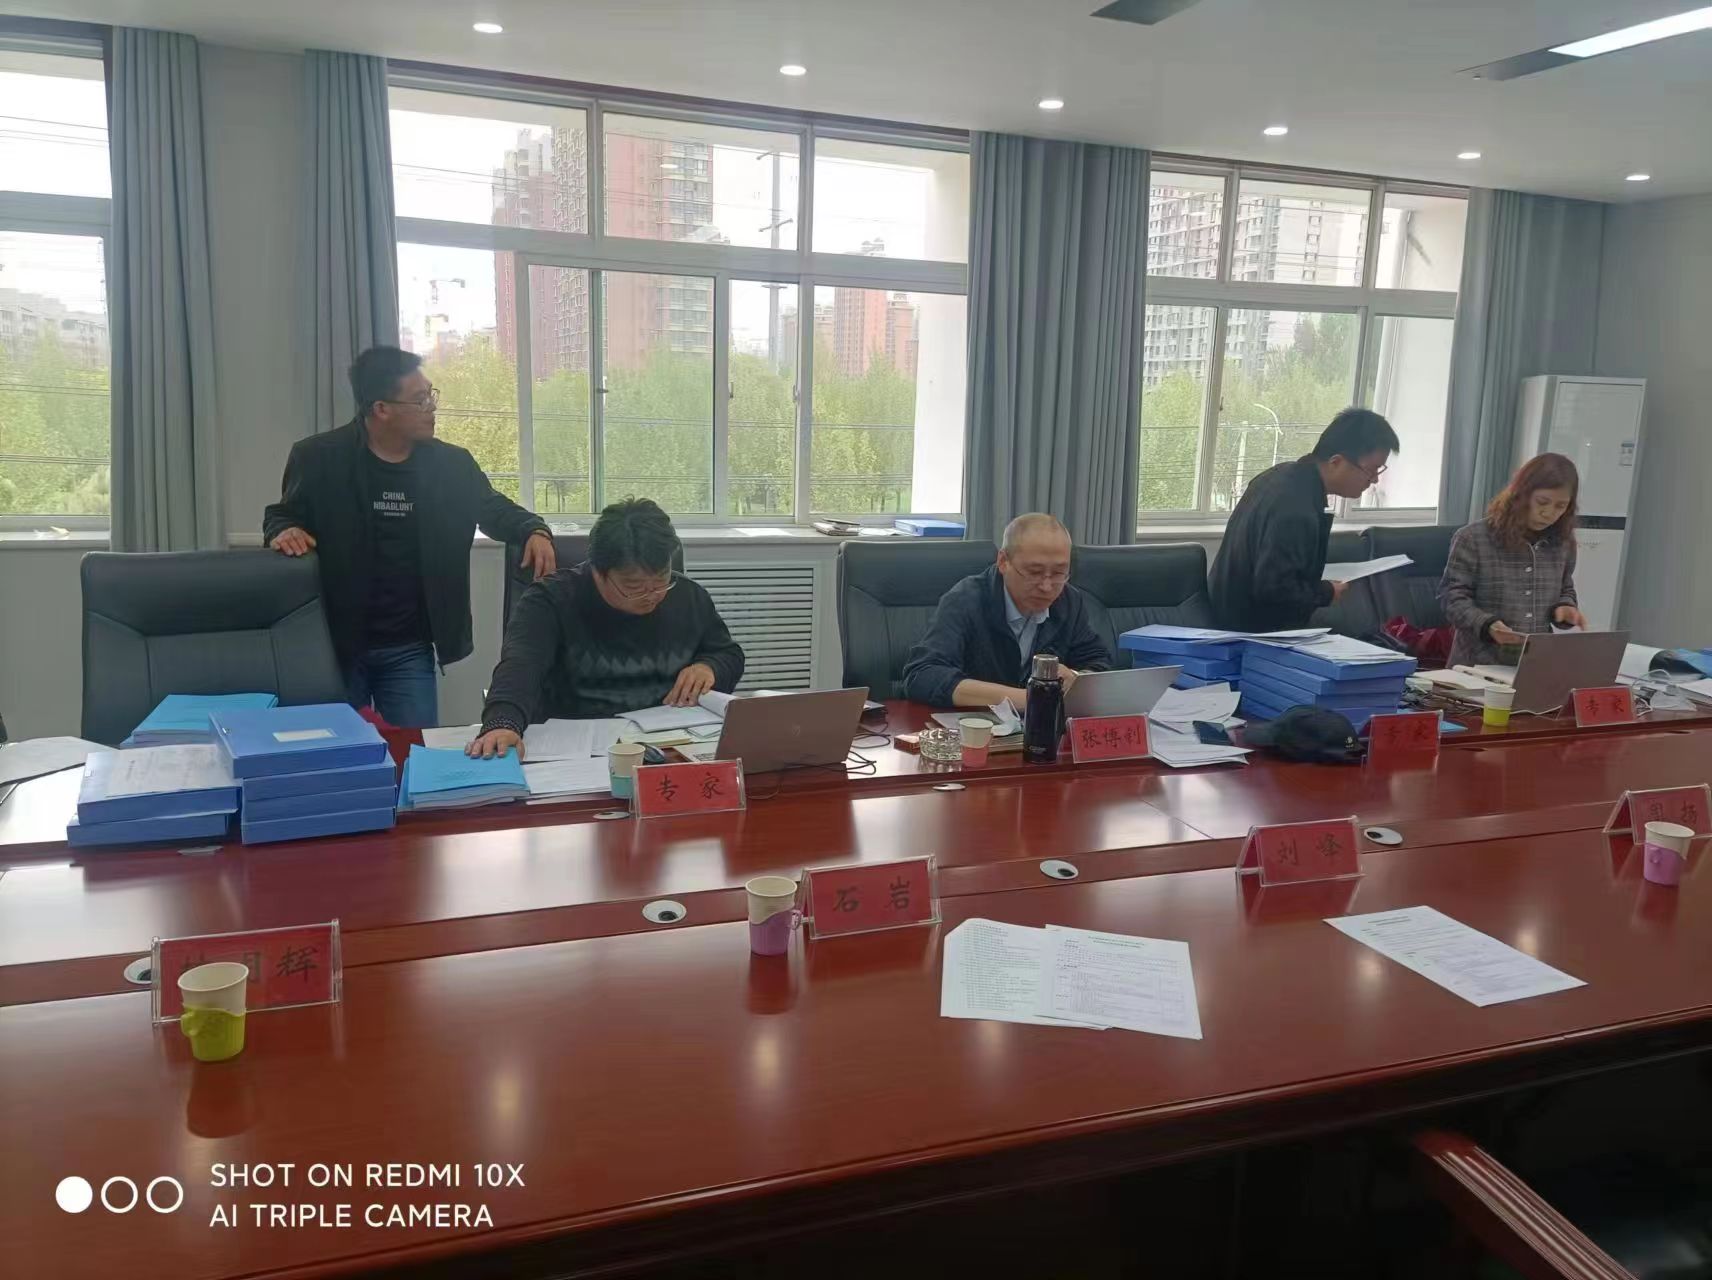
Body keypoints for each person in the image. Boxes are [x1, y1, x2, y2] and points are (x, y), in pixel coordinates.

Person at [262, 346, 557, 728]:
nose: (431, 407)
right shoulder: (319, 458)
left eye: (430, 395)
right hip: (334, 643)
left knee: (414, 751)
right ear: (381, 408)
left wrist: (535, 529)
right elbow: (284, 513)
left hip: (408, 647)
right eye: (420, 400)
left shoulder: (450, 465)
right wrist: (283, 530)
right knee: (340, 750)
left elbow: (493, 509)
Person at [466, 498, 745, 758]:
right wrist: (503, 723)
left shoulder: (688, 595)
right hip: (578, 749)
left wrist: (709, 667)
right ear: (597, 571)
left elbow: (728, 654)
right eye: (634, 587)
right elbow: (521, 667)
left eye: (661, 580)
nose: (652, 595)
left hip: (668, 745)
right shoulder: (549, 601)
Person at [1208, 408, 1400, 632]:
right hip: (1251, 635)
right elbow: (1274, 590)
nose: (1374, 480)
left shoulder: (1281, 476)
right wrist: (1327, 592)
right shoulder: (1296, 505)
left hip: (1226, 620)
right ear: (1336, 462)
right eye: (1371, 470)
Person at [901, 513, 1111, 710]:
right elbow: (922, 675)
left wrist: (1075, 678)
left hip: (1042, 729)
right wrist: (1030, 699)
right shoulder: (967, 599)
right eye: (1034, 572)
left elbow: (1098, 661)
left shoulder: (1068, 601)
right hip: (977, 727)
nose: (1047, 587)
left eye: (1058, 573)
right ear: (1003, 562)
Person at [1439, 452, 1587, 667]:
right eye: (1542, 502)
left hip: (1534, 664)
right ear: (1521, 495)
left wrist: (1565, 607)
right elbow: (1451, 598)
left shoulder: (1563, 542)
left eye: (1560, 506)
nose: (1549, 513)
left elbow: (1566, 588)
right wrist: (1487, 625)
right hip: (1477, 664)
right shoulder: (1473, 538)